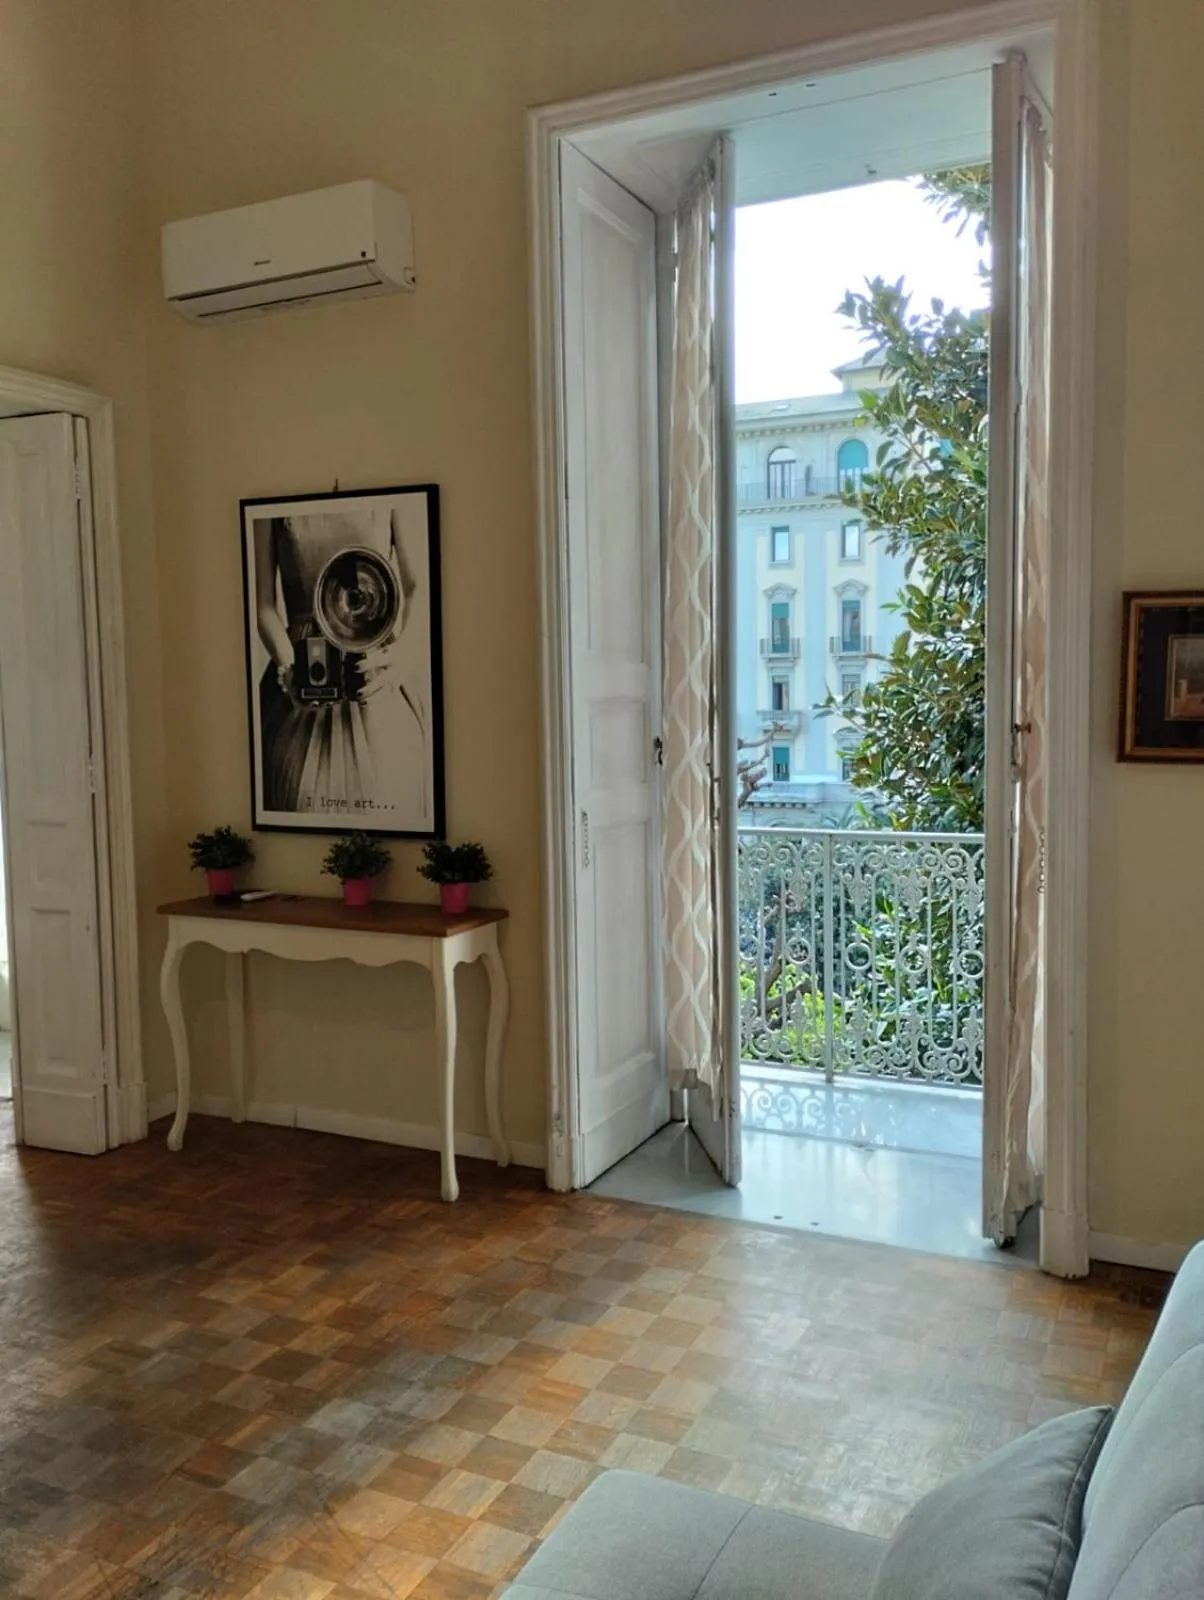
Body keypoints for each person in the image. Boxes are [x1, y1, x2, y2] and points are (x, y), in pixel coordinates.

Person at [253, 505, 430, 828]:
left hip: (374, 663)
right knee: (295, 793)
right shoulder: (272, 502)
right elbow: (264, 605)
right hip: (300, 666)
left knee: (388, 793)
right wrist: (287, 668)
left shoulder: (388, 490)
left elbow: (418, 585)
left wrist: (402, 655)